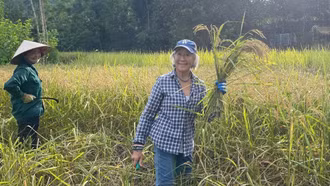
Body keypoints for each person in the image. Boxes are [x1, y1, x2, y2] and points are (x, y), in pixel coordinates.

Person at [131, 39, 227, 185]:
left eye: (187, 55)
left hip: (186, 145)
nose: (183, 58)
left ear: (194, 59)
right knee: (166, 183)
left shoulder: (200, 86)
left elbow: (208, 116)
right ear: (174, 57)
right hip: (165, 143)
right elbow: (148, 114)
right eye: (179, 54)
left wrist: (217, 97)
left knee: (185, 182)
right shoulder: (163, 81)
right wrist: (138, 147)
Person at [4, 40, 50, 149]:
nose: (36, 55)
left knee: (32, 138)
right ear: (24, 54)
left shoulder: (30, 68)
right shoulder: (24, 69)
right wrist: (23, 95)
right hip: (26, 111)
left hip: (32, 110)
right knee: (24, 140)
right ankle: (18, 161)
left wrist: (40, 102)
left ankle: (33, 159)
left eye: (38, 52)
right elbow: (9, 85)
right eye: (32, 52)